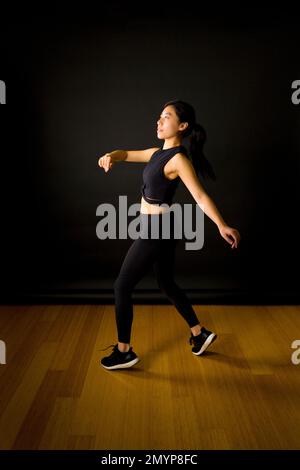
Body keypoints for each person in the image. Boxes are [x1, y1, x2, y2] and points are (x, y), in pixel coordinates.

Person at [97, 99, 241, 370]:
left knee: (121, 286)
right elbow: (125, 154)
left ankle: (124, 351)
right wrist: (110, 156)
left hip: (157, 230)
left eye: (166, 117)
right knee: (166, 283)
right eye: (159, 117)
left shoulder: (178, 159)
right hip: (162, 227)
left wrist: (221, 225)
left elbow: (199, 196)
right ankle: (200, 334)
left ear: (182, 125)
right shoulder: (155, 153)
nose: (159, 121)